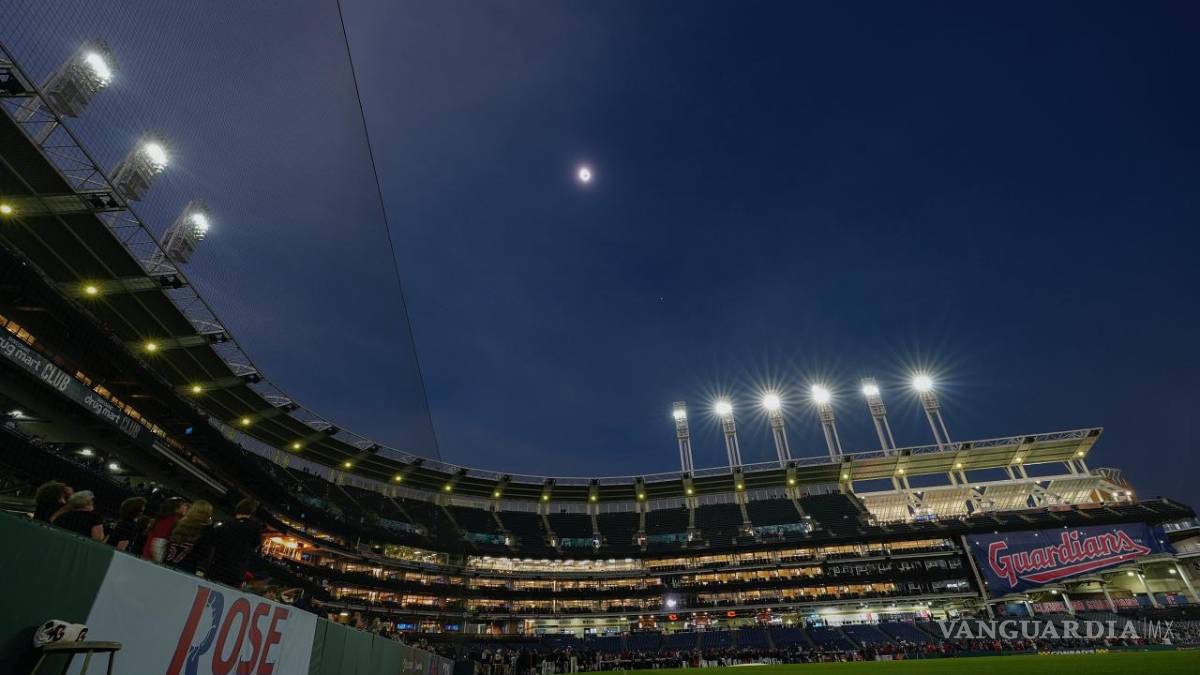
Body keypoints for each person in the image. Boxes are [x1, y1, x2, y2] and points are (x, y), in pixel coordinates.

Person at [195, 498, 264, 587]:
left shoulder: (226, 524)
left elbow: (211, 541)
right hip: (236, 572)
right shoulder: (255, 527)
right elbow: (256, 545)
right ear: (252, 511)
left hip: (217, 568)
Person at [164, 500, 214, 571]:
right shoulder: (205, 532)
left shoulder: (179, 525)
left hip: (166, 564)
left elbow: (168, 544)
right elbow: (202, 555)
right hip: (185, 569)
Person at [143, 497, 188, 562]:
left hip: (149, 555)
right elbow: (159, 542)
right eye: (183, 505)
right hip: (152, 558)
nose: (186, 508)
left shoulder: (164, 518)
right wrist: (160, 563)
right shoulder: (170, 520)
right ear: (175, 508)